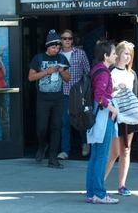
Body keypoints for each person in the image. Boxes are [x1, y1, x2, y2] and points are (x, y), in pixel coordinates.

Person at [104, 41, 138, 196]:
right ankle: (99, 182)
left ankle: (122, 185)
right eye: (126, 53)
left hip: (130, 115)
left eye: (130, 54)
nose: (128, 57)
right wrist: (116, 88)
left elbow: (136, 97)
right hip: (114, 115)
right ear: (119, 53)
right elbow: (104, 94)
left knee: (126, 150)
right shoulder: (110, 72)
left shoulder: (132, 74)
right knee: (113, 152)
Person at [28, 29, 71, 169]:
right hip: (43, 98)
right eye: (54, 47)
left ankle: (52, 158)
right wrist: (47, 71)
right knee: (41, 126)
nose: (56, 49)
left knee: (56, 127)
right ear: (48, 46)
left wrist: (62, 71)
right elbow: (31, 77)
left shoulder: (62, 59)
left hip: (58, 98)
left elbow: (68, 79)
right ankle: (42, 146)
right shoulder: (38, 58)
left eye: (58, 47)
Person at [85, 40, 119, 204]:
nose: (116, 55)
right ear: (106, 56)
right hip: (103, 118)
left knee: (95, 156)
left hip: (96, 117)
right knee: (101, 157)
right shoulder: (104, 72)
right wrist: (114, 109)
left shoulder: (96, 70)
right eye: (113, 53)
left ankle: (92, 193)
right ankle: (99, 193)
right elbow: (100, 96)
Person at [57, 29, 91, 160]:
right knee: (64, 122)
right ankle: (65, 150)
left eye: (69, 38)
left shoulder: (80, 53)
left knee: (80, 119)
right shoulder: (57, 54)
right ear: (61, 40)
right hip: (63, 92)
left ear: (73, 40)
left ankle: (85, 142)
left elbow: (87, 72)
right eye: (64, 38)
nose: (67, 41)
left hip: (78, 93)